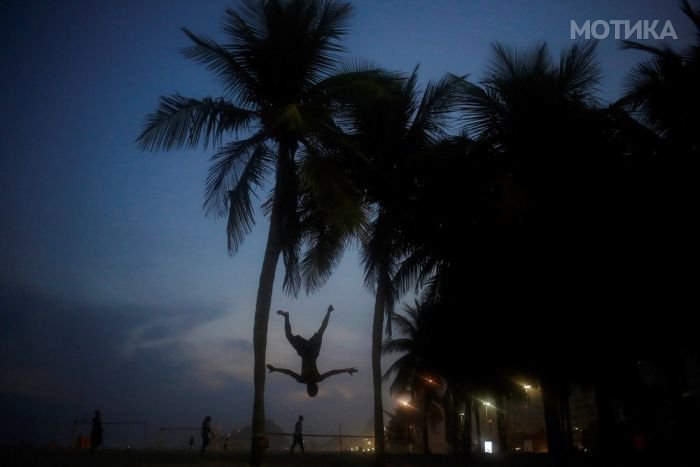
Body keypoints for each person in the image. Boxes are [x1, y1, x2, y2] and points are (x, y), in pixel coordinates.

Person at [267, 305, 358, 397]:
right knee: (320, 331)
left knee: (291, 335)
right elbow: (332, 372)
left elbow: (289, 372)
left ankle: (286, 316)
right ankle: (328, 311)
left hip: (305, 352)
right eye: (312, 390)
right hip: (312, 351)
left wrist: (275, 369)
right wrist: (345, 370)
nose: (311, 388)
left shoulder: (303, 379)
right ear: (315, 387)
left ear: (310, 388)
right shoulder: (315, 379)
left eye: (310, 390)